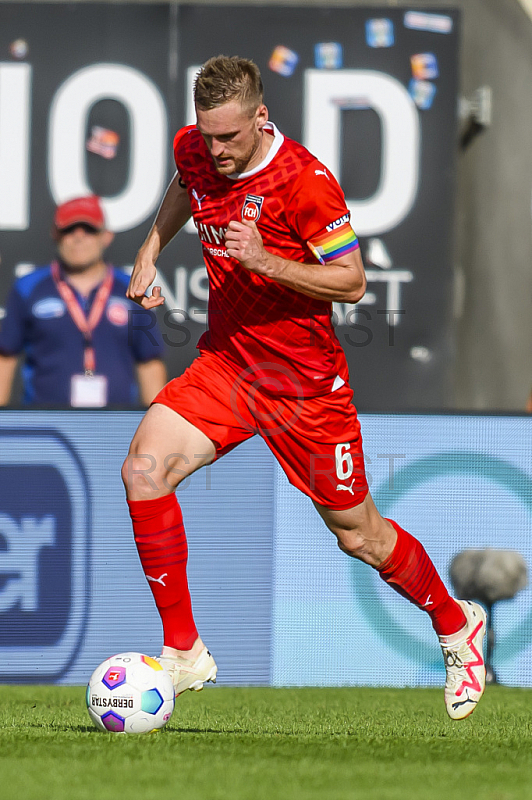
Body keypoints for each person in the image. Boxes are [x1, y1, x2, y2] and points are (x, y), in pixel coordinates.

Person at [123, 56, 486, 719]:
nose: (217, 151)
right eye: (208, 136)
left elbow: (351, 281)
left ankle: (455, 623)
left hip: (304, 391)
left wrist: (264, 259)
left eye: (230, 138)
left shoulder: (306, 183)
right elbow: (186, 184)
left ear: (262, 118)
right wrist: (151, 248)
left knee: (360, 537)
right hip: (230, 366)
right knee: (144, 470)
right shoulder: (198, 149)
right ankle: (184, 652)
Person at [0, 195, 167, 407]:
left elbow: (150, 363)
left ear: (106, 236)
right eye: (69, 230)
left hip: (118, 423)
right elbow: (5, 358)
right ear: (55, 234)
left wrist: (154, 423)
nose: (78, 237)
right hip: (44, 425)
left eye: (88, 229)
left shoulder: (133, 290)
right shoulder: (28, 288)